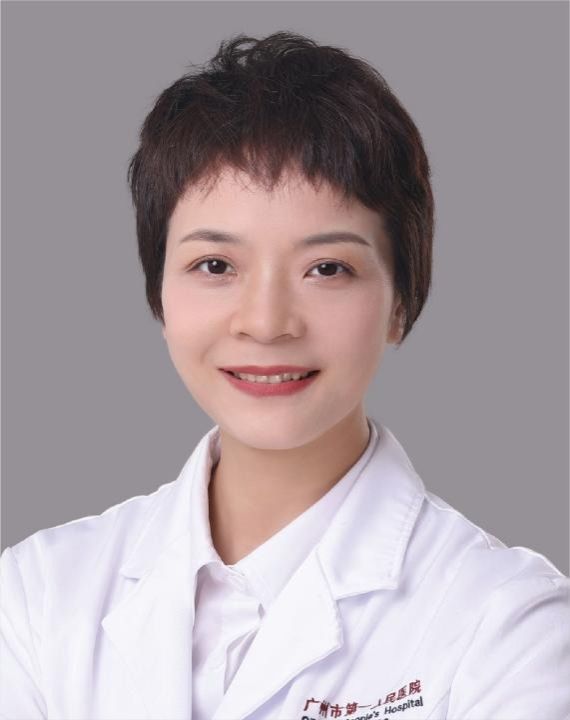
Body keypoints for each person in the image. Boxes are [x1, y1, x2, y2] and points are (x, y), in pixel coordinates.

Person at [1, 30, 568, 720]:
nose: (266, 323)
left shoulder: (511, 628)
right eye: (215, 266)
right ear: (159, 296)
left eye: (327, 268)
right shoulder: (34, 597)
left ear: (400, 302)